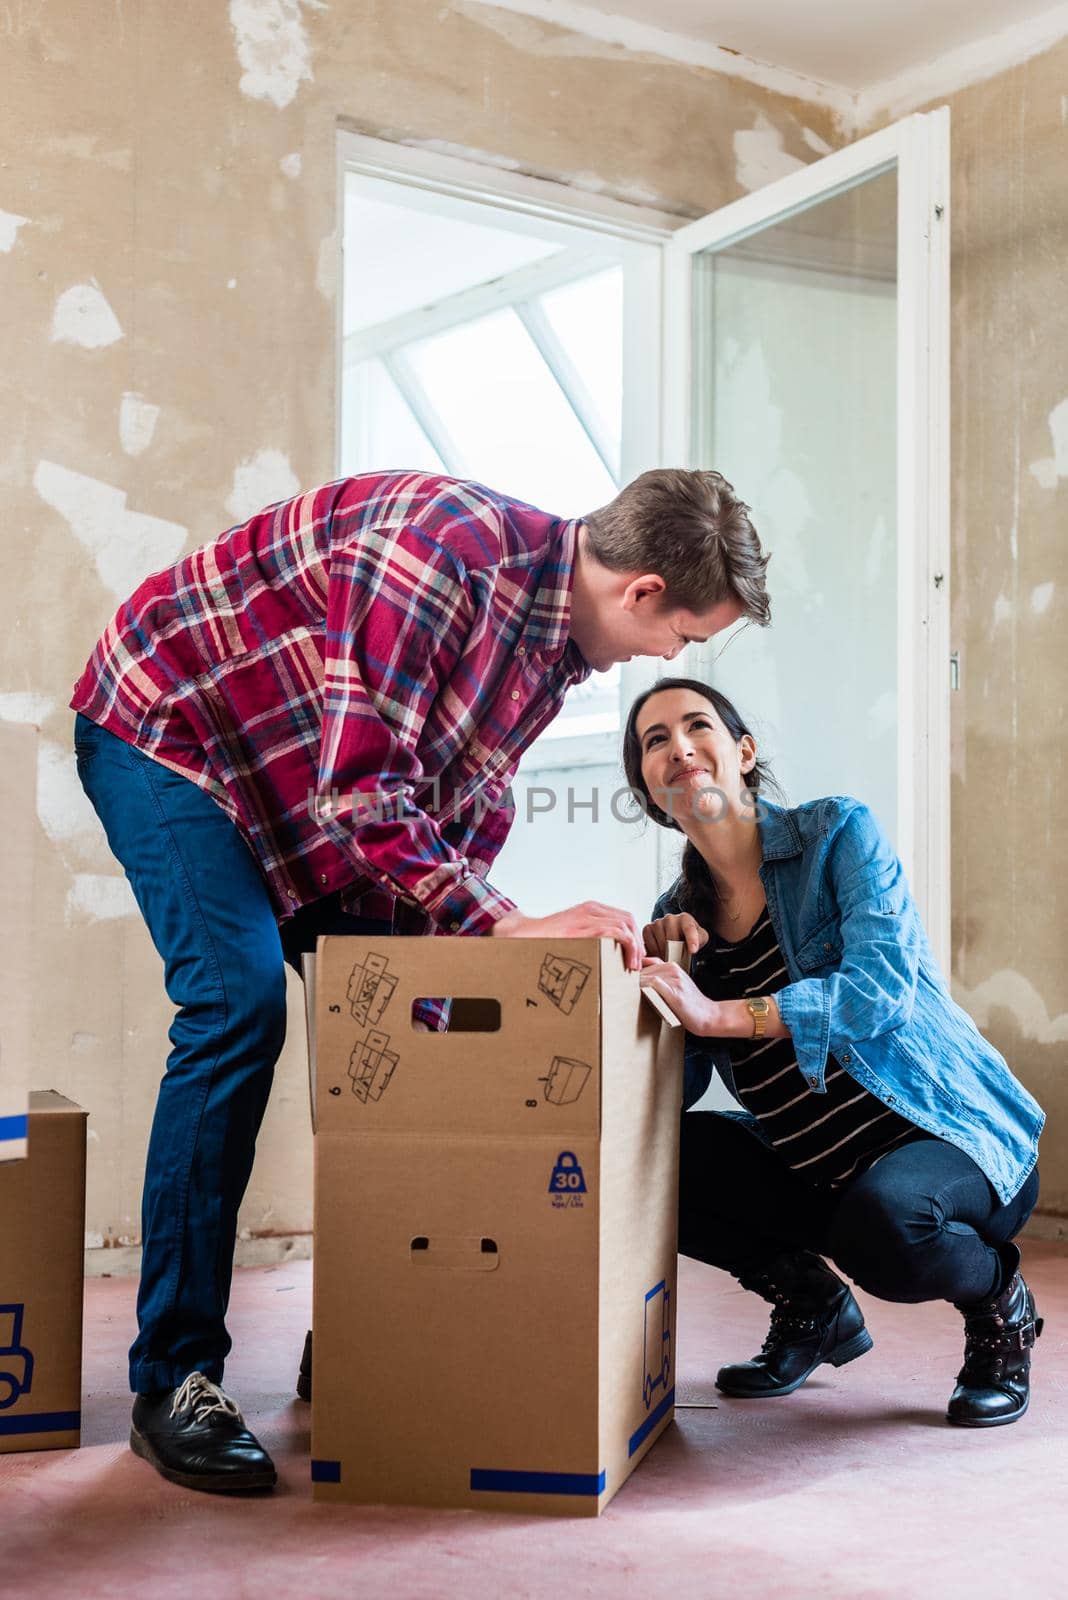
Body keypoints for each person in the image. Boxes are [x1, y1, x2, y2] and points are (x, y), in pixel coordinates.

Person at [70, 468, 770, 1492]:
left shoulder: (551, 642)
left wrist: (493, 949)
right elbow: (362, 794)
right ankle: (175, 1376)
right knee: (237, 1005)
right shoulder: (443, 556)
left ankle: (369, 1324)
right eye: (686, 637)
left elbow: (456, 803)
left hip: (294, 779)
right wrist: (507, 923)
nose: (672, 659)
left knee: (414, 1015)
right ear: (643, 593)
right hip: (175, 736)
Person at [631, 677, 1044, 1429]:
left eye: (697, 727)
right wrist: (662, 993)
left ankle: (1000, 1307)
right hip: (823, 1175)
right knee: (658, 1157)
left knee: (884, 1226)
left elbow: (879, 991)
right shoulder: (675, 918)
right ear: (650, 790)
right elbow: (677, 1090)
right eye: (656, 742)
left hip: (956, 1143)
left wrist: (720, 1012)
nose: (679, 747)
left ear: (743, 752)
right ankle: (812, 1305)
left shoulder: (835, 837)